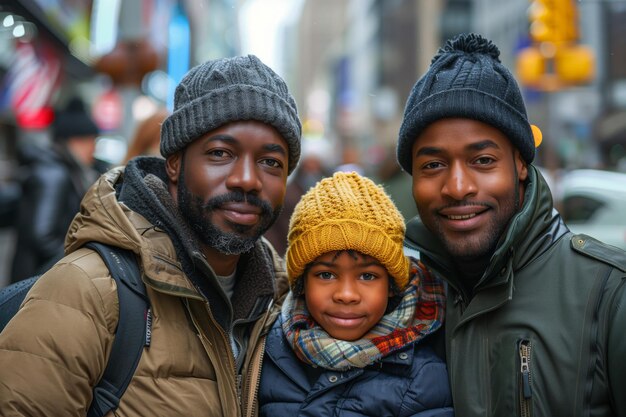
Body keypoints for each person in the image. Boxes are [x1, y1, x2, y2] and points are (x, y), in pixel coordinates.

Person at [0, 54, 301, 417]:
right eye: (221, 153)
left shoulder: (289, 305)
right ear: (174, 163)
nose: (248, 180)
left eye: (271, 162)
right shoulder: (87, 291)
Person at [396, 32, 626, 417]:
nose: (457, 187)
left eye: (482, 160)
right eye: (433, 165)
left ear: (520, 164)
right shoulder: (393, 295)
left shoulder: (609, 295)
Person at [258, 171, 453, 417]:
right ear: (301, 283)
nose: (347, 295)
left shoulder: (423, 380)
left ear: (392, 285)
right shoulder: (265, 353)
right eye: (326, 275)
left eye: (367, 276)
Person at [10, 97, 100, 283]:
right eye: (90, 141)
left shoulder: (61, 170)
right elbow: (42, 236)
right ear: (74, 142)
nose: (93, 149)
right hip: (36, 278)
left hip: (35, 275)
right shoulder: (54, 175)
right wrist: (74, 259)